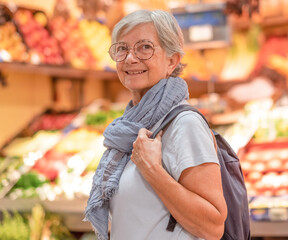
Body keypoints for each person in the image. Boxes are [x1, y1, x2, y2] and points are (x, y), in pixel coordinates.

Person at [85, 9, 227, 240]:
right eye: (122, 48)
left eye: (145, 47)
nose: (131, 58)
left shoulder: (184, 124)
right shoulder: (128, 129)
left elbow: (213, 226)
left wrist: (152, 170)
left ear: (172, 61)